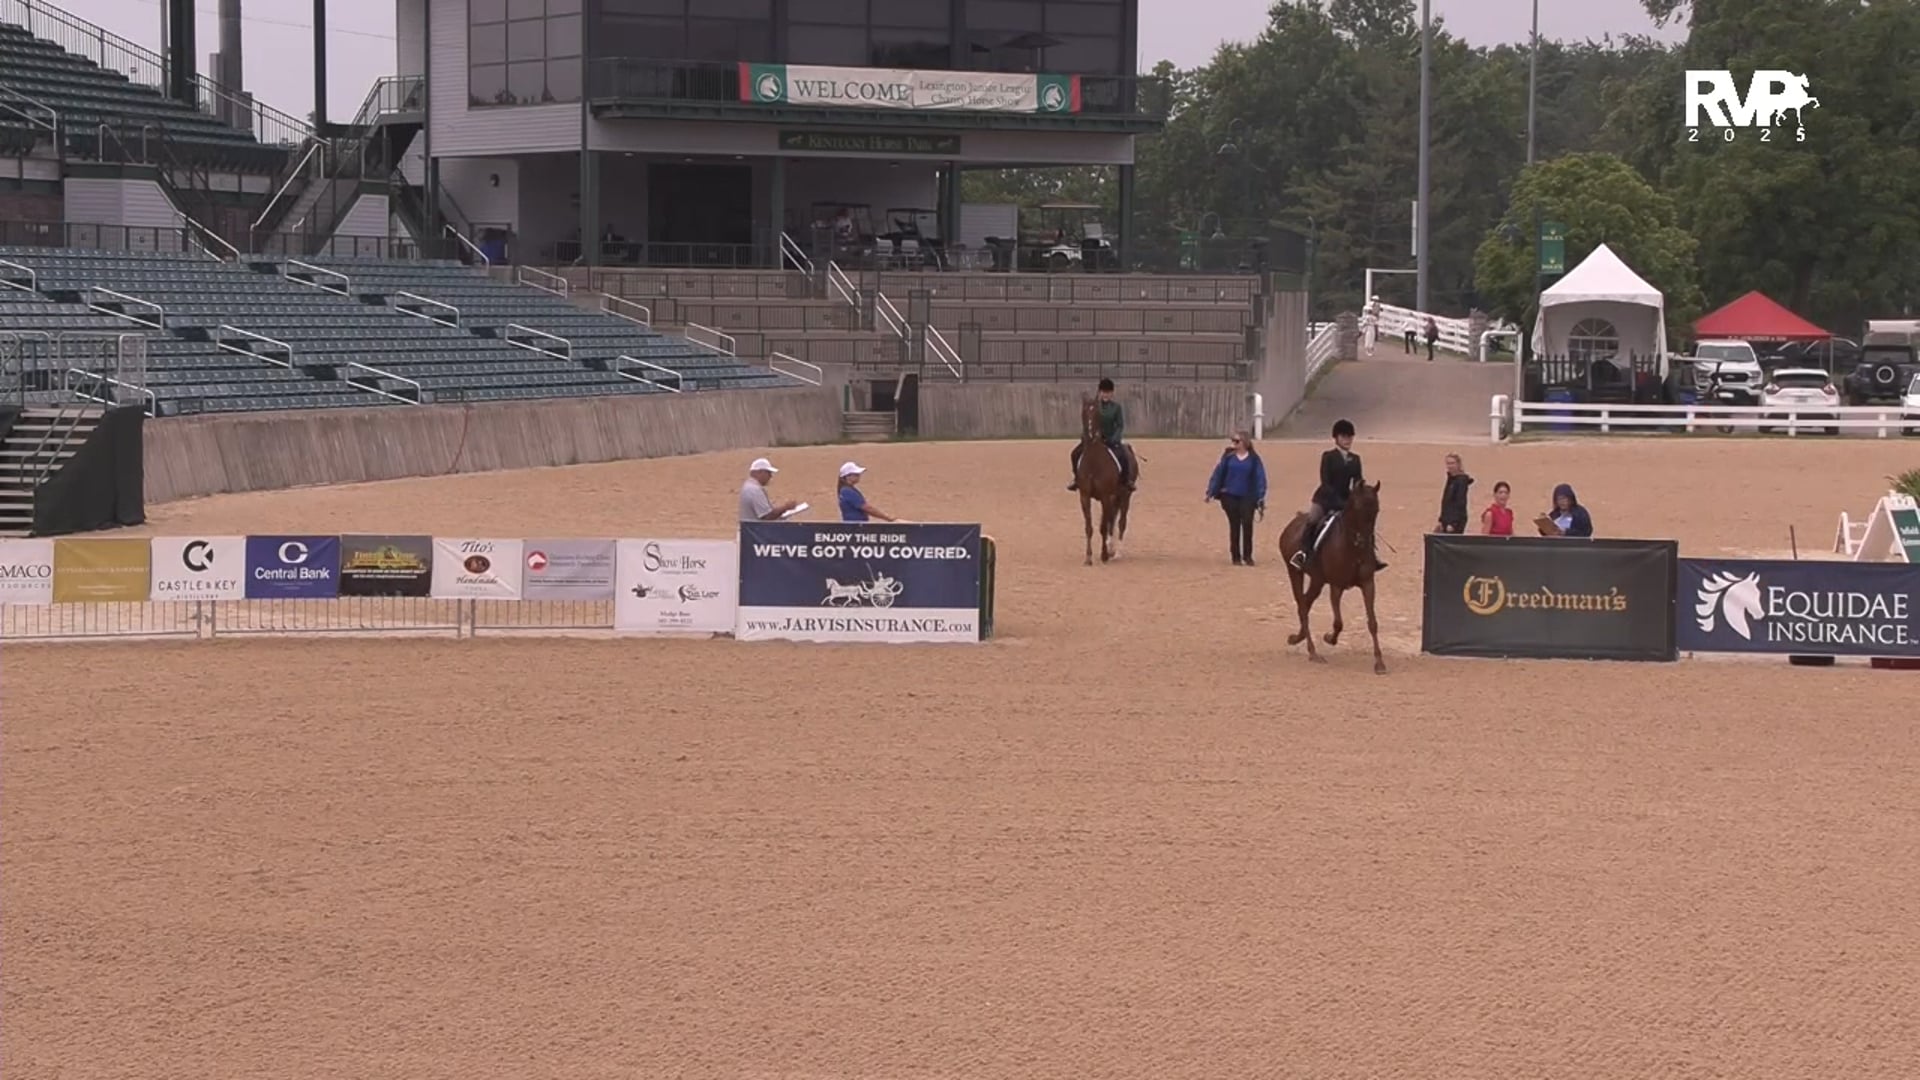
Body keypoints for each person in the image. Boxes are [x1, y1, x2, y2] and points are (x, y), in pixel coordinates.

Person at [1291, 418, 1387, 572]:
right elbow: (1326, 482)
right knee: (1313, 519)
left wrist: (1359, 494)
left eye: (1350, 437)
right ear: (1336, 438)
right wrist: (1338, 501)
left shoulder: (1355, 459)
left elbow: (1358, 481)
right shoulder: (1328, 456)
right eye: (1344, 437)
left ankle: (1372, 556)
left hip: (1346, 500)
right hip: (1325, 499)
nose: (1347, 440)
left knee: (1365, 521)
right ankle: (1303, 553)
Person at [1205, 430, 1268, 566]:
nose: (1234, 444)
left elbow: (1260, 478)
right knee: (1234, 525)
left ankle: (1248, 555)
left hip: (1247, 496)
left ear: (1245, 442)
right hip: (1230, 495)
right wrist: (1211, 491)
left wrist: (1260, 496)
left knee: (1247, 524)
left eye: (1237, 441)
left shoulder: (1253, 459)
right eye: (1233, 441)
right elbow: (1218, 473)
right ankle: (1235, 556)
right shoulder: (1228, 457)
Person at [1067, 377, 1136, 492]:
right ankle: (1077, 479)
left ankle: (1126, 481)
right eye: (1103, 392)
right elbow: (1088, 422)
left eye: (1108, 392)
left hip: (1110, 440)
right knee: (1074, 454)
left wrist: (1114, 438)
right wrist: (1086, 436)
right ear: (1100, 392)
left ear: (1112, 393)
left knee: (1124, 456)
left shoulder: (1116, 408)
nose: (1105, 395)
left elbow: (1119, 425)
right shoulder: (1094, 407)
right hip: (1094, 440)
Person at [738, 457, 798, 522]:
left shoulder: (749, 486)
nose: (770, 476)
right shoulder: (754, 490)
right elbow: (767, 516)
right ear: (759, 472)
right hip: (757, 531)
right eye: (768, 473)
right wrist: (785, 507)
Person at [1436, 453, 1472, 534]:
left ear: (1458, 464)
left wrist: (1453, 523)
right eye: (1448, 463)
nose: (1450, 466)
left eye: (1452, 463)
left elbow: (1460, 503)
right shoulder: (1451, 479)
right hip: (1446, 518)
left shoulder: (1461, 480)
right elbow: (1446, 502)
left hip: (1455, 520)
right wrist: (1441, 520)